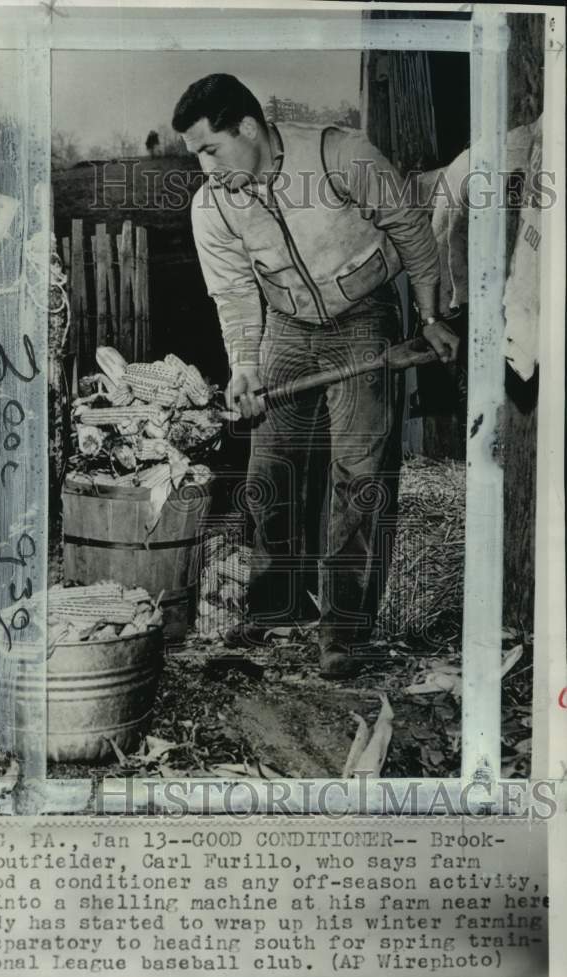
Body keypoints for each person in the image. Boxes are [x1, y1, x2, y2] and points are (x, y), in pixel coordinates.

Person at [172, 73, 458, 680]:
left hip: (366, 314)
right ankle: (275, 609)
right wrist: (245, 366)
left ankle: (344, 633)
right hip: (286, 325)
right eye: (196, 154)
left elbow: (411, 230)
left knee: (358, 473)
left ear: (247, 128)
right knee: (269, 467)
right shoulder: (214, 203)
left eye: (210, 149)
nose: (205, 167)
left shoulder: (340, 155)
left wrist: (430, 315)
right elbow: (232, 292)